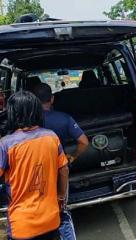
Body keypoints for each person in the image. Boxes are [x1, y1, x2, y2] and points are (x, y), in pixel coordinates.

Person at [0, 91, 69, 240]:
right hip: (51, 219)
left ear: (11, 113)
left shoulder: (6, 144)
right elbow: (64, 170)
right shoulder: (51, 136)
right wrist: (61, 196)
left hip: (22, 224)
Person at [33, 82, 89, 240]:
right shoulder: (64, 119)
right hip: (59, 169)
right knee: (61, 212)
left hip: (34, 172)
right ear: (52, 99)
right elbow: (84, 141)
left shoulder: (27, 123)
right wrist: (72, 156)